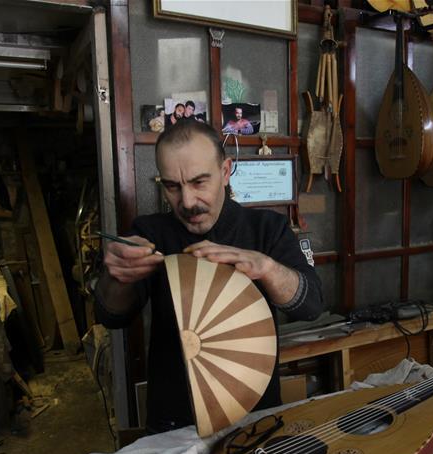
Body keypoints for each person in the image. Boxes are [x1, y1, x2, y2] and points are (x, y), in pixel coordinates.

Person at [95, 120, 323, 433]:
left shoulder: (267, 229)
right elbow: (112, 317)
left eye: (199, 182)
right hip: (175, 418)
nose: (187, 202)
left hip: (253, 412)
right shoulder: (150, 233)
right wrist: (117, 275)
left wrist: (267, 268)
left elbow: (311, 306)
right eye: (172, 186)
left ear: (226, 170)